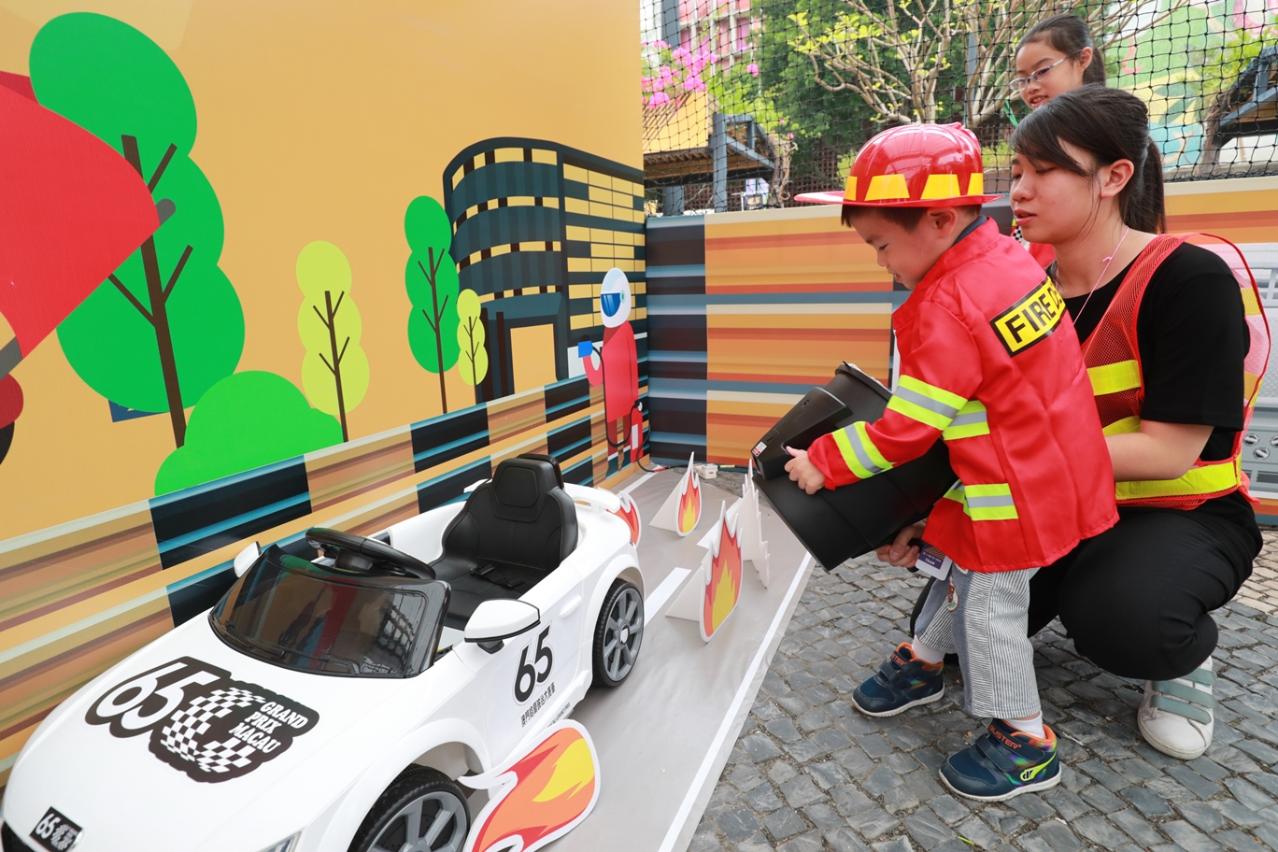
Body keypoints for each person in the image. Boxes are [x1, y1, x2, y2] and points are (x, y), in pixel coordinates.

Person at [885, 86, 1267, 761]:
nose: (1019, 191)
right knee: (947, 623)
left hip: (1174, 511)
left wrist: (1006, 466)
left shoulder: (1187, 278)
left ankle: (1179, 654)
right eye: (1016, 171)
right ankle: (1082, 586)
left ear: (1114, 177)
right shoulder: (1014, 281)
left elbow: (1169, 453)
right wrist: (937, 510)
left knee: (1125, 621)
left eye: (1043, 171)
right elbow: (974, 419)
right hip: (1050, 506)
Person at [787, 122, 1117, 801]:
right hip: (1038, 470)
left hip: (1013, 491)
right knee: (955, 576)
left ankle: (1025, 740)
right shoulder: (1010, 263)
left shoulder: (948, 305)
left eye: (881, 244)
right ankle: (926, 658)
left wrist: (824, 459)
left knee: (990, 610)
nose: (880, 262)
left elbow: (908, 430)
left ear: (940, 219)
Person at [1009, 14, 1108, 267]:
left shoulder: (1107, 134)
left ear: (1082, 59)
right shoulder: (1036, 137)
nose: (1030, 87)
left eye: (1042, 71)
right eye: (1022, 79)